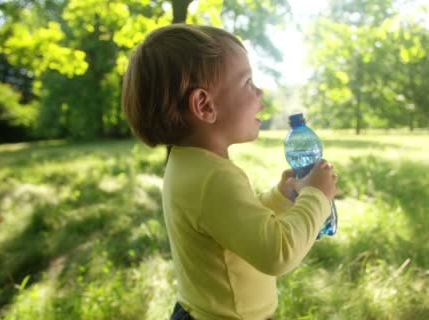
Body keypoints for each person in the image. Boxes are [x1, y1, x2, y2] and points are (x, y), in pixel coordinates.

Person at [121, 24, 338, 320]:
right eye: (247, 81)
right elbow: (277, 253)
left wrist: (279, 197)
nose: (260, 91)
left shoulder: (187, 162)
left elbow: (232, 224)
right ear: (204, 105)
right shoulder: (214, 178)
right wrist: (317, 195)